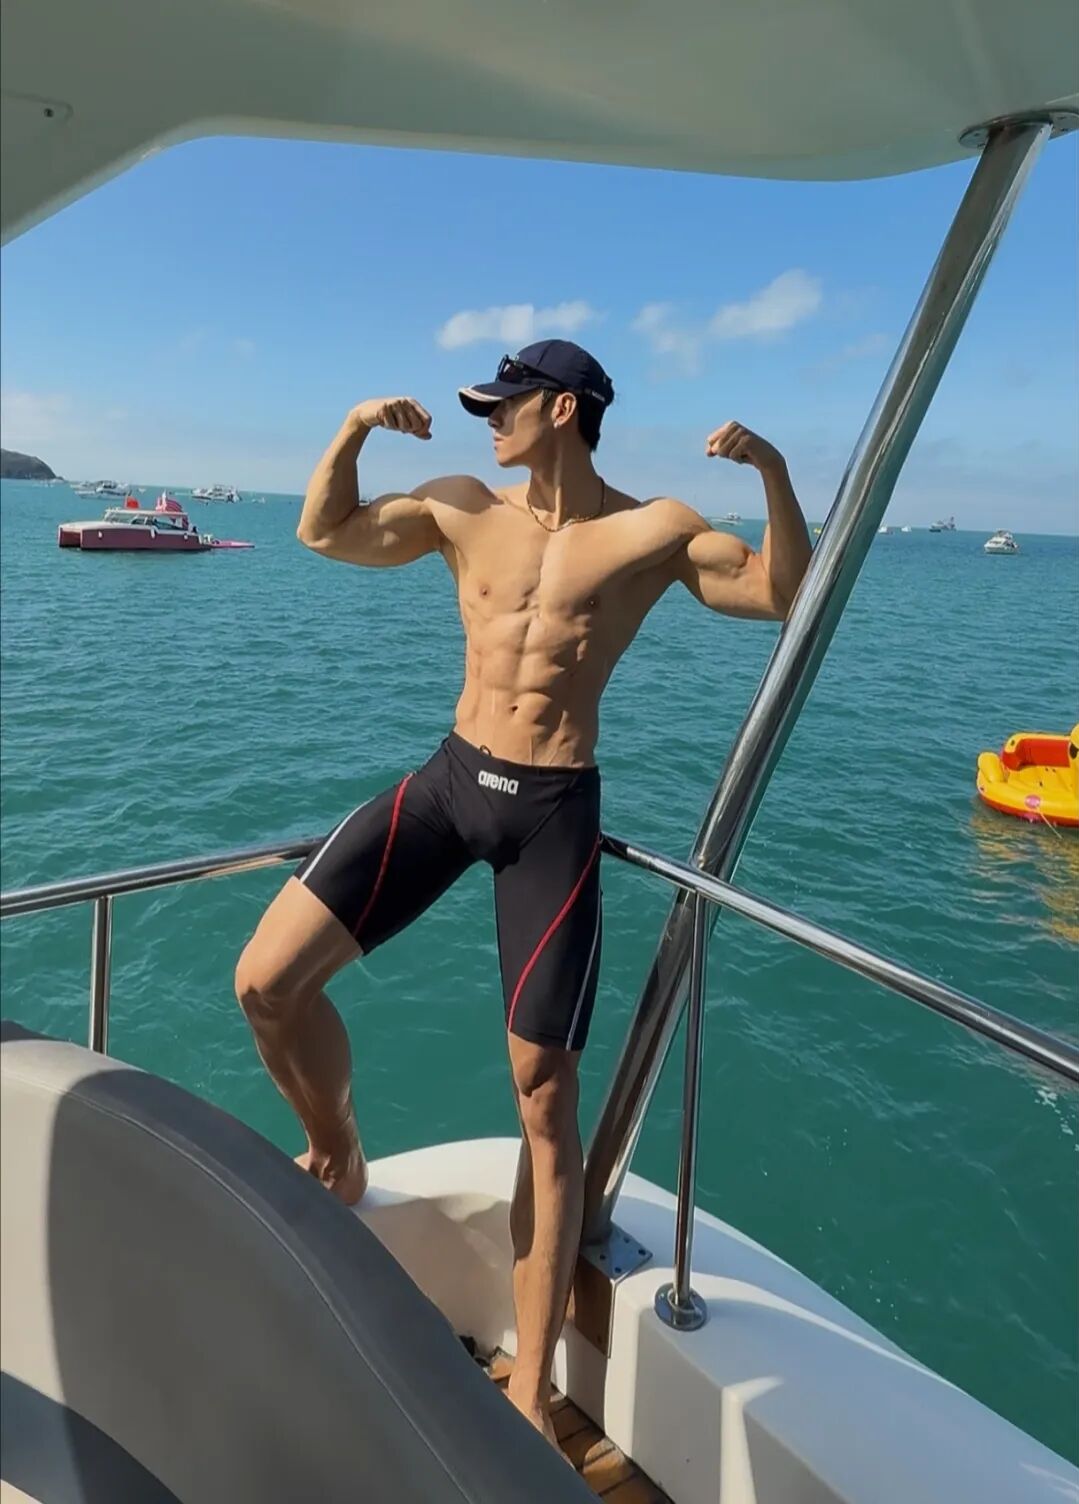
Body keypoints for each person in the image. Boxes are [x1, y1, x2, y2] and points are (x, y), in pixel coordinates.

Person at [235, 339, 811, 1442]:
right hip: (455, 780)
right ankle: (339, 1150)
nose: (488, 420)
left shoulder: (651, 530)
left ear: (562, 409)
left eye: (504, 404)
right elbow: (325, 532)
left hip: (552, 810)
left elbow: (782, 591)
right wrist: (352, 429)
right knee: (266, 982)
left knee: (545, 1098)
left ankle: (531, 1386)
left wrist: (774, 473)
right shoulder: (463, 507)